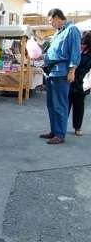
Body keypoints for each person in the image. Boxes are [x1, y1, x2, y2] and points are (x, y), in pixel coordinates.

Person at [40, 9, 81, 144]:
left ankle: (60, 134)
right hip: (52, 71)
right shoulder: (58, 32)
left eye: (50, 20)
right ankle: (54, 131)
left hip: (62, 72)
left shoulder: (72, 30)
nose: (50, 23)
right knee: (51, 104)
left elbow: (75, 51)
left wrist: (72, 70)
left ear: (57, 17)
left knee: (60, 104)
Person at [68, 31, 91, 136]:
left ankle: (77, 127)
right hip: (70, 81)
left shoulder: (89, 55)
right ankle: (61, 126)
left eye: (84, 43)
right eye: (81, 43)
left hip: (81, 84)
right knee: (66, 105)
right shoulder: (77, 51)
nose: (82, 45)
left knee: (79, 106)